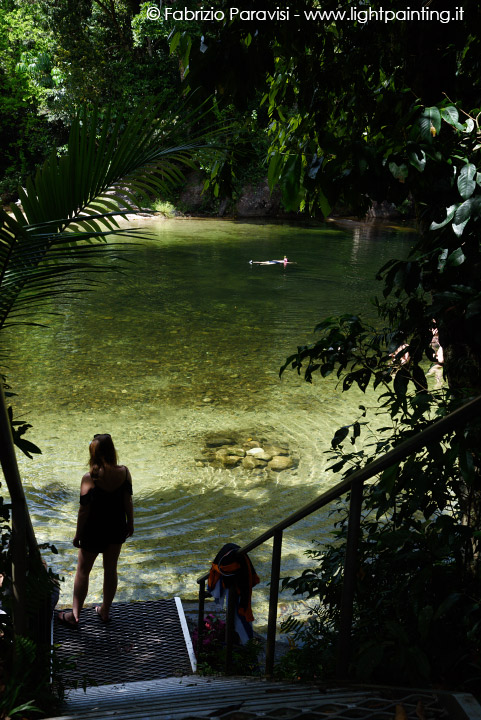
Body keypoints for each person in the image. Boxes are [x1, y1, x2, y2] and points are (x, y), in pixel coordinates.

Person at [58, 433, 134, 627]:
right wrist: (130, 523)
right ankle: (105, 611)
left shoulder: (89, 478)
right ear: (112, 450)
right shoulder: (124, 472)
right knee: (110, 570)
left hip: (93, 529)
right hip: (116, 527)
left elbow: (84, 510)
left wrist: (78, 534)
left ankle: (74, 616)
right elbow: (127, 501)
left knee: (83, 571)